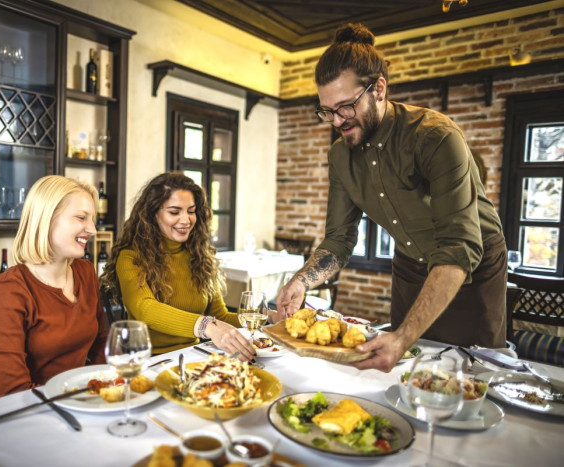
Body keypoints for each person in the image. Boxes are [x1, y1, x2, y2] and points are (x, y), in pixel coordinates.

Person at [276, 23, 507, 372]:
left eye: (346, 106)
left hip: (472, 267)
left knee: (472, 373)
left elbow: (459, 246)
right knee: (404, 368)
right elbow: (339, 240)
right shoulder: (340, 156)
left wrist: (405, 335)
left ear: (379, 88)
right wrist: (301, 280)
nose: (337, 121)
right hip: (412, 268)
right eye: (327, 111)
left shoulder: (436, 137)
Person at [102, 172, 255, 360]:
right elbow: (146, 308)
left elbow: (219, 315)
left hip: (196, 355)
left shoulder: (200, 256)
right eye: (174, 212)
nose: (186, 220)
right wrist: (206, 326)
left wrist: (266, 318)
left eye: (191, 211)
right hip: (150, 360)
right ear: (152, 214)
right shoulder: (131, 257)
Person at [0, 175, 108, 397]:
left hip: (83, 401)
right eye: (81, 217)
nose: (92, 229)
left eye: (92, 219)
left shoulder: (86, 273)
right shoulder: (9, 291)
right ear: (46, 219)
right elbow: (12, 391)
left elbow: (102, 344)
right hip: (30, 413)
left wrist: (102, 389)